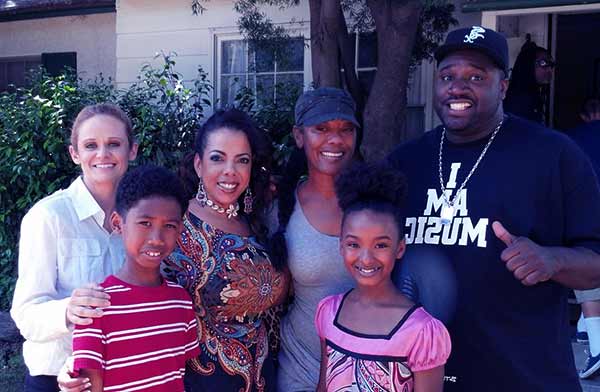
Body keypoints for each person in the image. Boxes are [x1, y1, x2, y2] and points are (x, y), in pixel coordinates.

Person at [387, 25, 600, 392]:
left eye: (475, 76)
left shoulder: (554, 155)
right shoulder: (404, 163)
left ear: (502, 87)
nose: (457, 87)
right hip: (425, 378)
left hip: (525, 378)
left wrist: (552, 260)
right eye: (447, 76)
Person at [11, 103, 138, 391]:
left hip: (122, 376)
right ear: (74, 154)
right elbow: (25, 314)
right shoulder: (48, 217)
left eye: (114, 144)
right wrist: (68, 310)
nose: (103, 154)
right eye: (91, 145)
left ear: (132, 150)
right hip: (56, 378)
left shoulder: (141, 218)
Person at [162, 108, 287, 391]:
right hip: (201, 381)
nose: (230, 171)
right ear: (198, 165)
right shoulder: (175, 225)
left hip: (265, 378)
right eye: (218, 158)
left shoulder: (255, 224)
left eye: (241, 160)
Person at [315, 162, 451, 392]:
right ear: (340, 246)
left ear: (399, 248)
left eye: (380, 245)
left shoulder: (421, 332)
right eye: (353, 244)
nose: (366, 258)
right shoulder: (328, 312)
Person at [71, 164, 200, 391]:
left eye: (169, 226)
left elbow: (178, 376)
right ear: (118, 223)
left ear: (180, 230)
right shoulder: (98, 306)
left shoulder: (180, 301)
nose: (157, 238)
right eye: (145, 223)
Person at [269, 87, 359, 391]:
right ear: (298, 136)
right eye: (321, 129)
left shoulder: (376, 205)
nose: (335, 139)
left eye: (346, 129)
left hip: (366, 367)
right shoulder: (279, 209)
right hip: (300, 368)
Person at [568, 97, 600, 378]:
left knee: (587, 275)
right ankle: (582, 329)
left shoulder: (572, 140)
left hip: (589, 209)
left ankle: (598, 346)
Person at [504, 40, 555, 125]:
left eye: (551, 65)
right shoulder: (517, 98)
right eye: (543, 63)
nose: (549, 70)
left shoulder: (534, 93)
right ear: (527, 65)